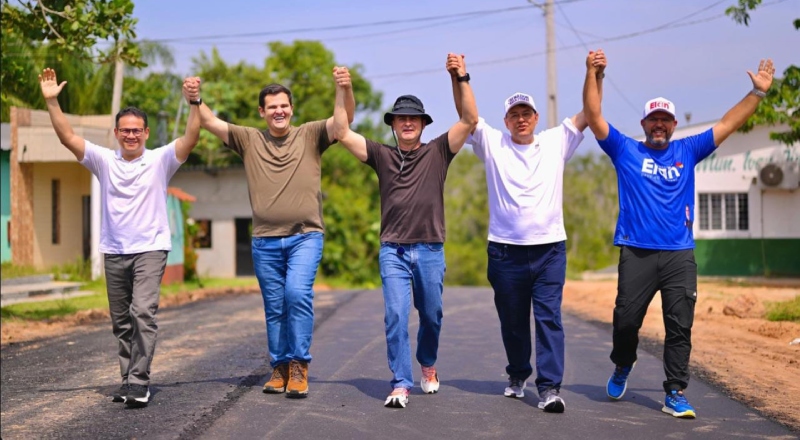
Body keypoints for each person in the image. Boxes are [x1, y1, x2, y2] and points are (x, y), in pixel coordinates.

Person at [582, 51, 775, 418]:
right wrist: (593, 73)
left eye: (665, 120)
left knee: (680, 326)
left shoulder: (689, 149)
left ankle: (675, 392)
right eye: (653, 119)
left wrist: (758, 94)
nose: (659, 125)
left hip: (678, 255)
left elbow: (728, 123)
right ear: (643, 123)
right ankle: (624, 363)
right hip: (636, 252)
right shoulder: (625, 150)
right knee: (625, 321)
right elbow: (593, 116)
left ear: (673, 125)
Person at [182, 70, 355, 399]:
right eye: (272, 106)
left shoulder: (310, 134)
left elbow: (343, 123)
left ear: (292, 108)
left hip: (305, 236)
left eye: (284, 106)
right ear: (262, 112)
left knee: (297, 295)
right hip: (264, 241)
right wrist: (194, 97)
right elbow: (209, 121)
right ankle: (279, 367)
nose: (279, 111)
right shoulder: (249, 139)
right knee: (275, 306)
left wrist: (342, 89)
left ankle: (299, 366)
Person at [449, 52, 606, 413]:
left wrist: (595, 74)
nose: (521, 120)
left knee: (549, 318)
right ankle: (518, 373)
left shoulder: (556, 140)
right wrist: (460, 76)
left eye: (526, 114)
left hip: (550, 250)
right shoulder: (492, 143)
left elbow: (590, 112)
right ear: (506, 120)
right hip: (505, 253)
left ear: (536, 118)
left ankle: (549, 387)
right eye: (514, 115)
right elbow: (467, 116)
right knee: (514, 322)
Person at [38, 68, 200, 407]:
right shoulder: (104, 161)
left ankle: (140, 382)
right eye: (125, 130)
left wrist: (194, 103)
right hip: (114, 250)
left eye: (136, 131)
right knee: (121, 322)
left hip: (150, 249)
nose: (131, 136)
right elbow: (68, 137)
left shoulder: (159, 160)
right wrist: (52, 102)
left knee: (142, 311)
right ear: (116, 133)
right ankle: (128, 380)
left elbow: (189, 140)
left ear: (146, 132)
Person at [332, 54, 478, 408]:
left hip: (429, 250)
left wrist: (460, 76)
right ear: (394, 125)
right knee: (396, 315)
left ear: (423, 124)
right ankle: (400, 381)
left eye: (414, 118)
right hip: (393, 250)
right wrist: (343, 90)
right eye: (402, 118)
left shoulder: (439, 151)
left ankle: (427, 363)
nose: (408, 123)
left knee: (432, 315)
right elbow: (340, 132)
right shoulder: (381, 155)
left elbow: (470, 119)